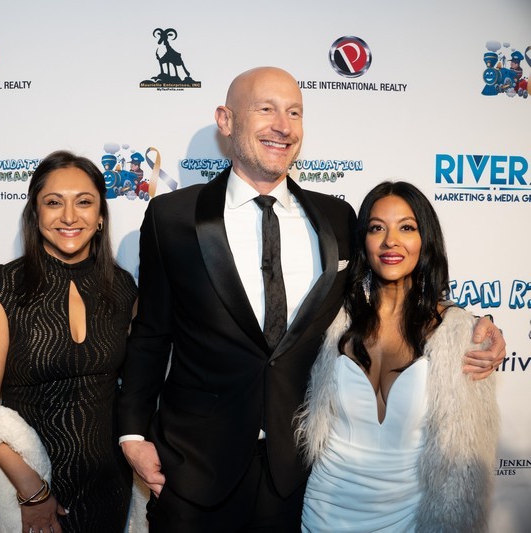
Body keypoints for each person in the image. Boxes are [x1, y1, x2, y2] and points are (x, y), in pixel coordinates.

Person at [117, 67, 506, 532]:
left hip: (297, 476)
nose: (283, 126)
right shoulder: (172, 217)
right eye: (266, 109)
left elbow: (389, 289)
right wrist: (132, 434)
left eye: (295, 112)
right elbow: (151, 334)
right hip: (194, 468)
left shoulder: (336, 218)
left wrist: (473, 325)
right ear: (226, 120)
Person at [296, 181, 498, 531]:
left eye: (406, 228)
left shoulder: (458, 336)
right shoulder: (332, 320)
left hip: (408, 519)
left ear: (425, 240)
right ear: (363, 241)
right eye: (377, 228)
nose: (391, 241)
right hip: (323, 511)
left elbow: (466, 455)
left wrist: (485, 327)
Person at [0, 150, 138, 533]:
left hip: (110, 484)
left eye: (83, 202)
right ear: (35, 214)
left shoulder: (122, 288)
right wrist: (32, 491)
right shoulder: (0, 289)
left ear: (100, 216)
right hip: (27, 486)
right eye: (54, 202)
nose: (69, 216)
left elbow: (137, 387)